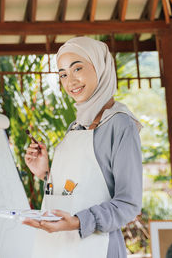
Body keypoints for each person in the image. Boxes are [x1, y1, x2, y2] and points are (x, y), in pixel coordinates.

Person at [23, 37, 143, 258]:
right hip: (56, 247)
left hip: (97, 248)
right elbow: (80, 187)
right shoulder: (76, 126)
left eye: (77, 68)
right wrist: (45, 173)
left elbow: (129, 204)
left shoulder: (120, 123)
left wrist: (78, 222)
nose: (71, 81)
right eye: (63, 74)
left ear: (99, 67)